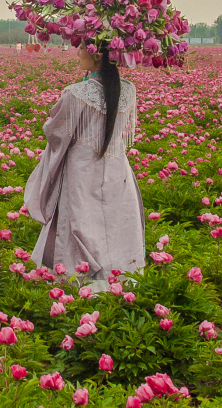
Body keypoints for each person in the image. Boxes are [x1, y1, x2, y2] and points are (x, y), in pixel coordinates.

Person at [22, 40, 144, 294]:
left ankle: (79, 278)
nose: (77, 53)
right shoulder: (128, 90)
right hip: (116, 166)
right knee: (114, 219)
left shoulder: (76, 93)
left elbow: (55, 132)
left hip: (81, 169)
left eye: (80, 49)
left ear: (97, 54)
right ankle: (120, 276)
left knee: (81, 220)